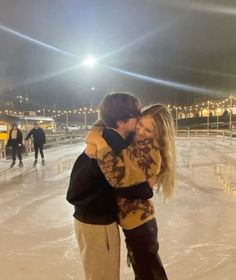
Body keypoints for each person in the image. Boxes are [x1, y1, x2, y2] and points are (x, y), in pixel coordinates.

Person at [66, 92, 154, 280]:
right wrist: (147, 189)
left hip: (94, 218)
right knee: (103, 276)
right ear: (121, 121)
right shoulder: (111, 144)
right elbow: (123, 183)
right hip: (96, 222)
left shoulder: (106, 136)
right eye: (135, 115)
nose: (139, 118)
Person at [86, 104, 175, 280]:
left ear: (158, 134)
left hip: (140, 225)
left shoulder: (149, 150)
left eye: (147, 130)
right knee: (144, 270)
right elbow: (106, 119)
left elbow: (116, 176)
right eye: (140, 124)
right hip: (135, 222)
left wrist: (99, 142)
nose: (140, 131)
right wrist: (94, 134)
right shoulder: (137, 142)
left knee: (149, 272)